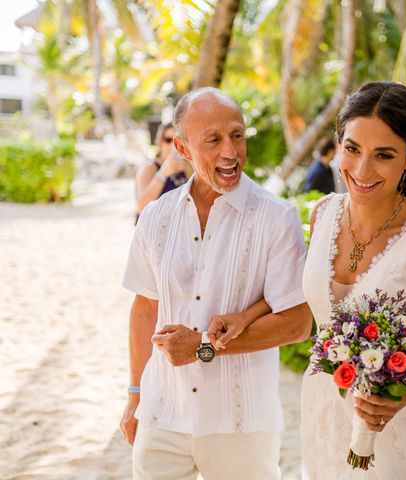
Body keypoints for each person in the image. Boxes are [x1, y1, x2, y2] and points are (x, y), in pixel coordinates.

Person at [120, 87, 312, 480]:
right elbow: (145, 308)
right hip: (162, 411)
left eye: (237, 135)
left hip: (240, 422)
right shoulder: (155, 216)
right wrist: (135, 395)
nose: (231, 151)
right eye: (213, 140)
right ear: (183, 148)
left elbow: (297, 324)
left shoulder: (277, 218)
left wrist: (203, 348)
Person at [300, 82, 406, 478]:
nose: (361, 170)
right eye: (352, 148)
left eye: (384, 155)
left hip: (394, 422)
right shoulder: (321, 214)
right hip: (322, 408)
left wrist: (404, 393)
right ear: (338, 142)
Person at [134, 122, 189, 220]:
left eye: (178, 141)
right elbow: (141, 207)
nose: (173, 146)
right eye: (168, 140)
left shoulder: (186, 165)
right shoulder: (150, 167)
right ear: (160, 142)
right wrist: (163, 173)